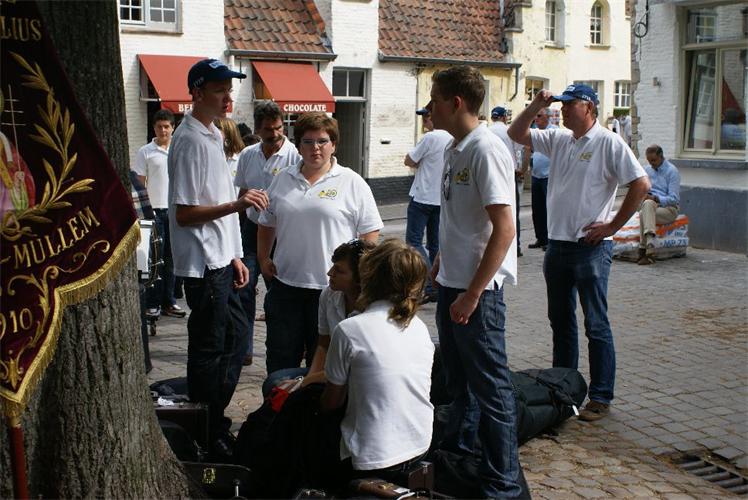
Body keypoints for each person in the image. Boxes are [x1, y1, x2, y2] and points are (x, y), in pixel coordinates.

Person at [508, 84, 650, 422]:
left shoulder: (608, 142)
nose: (564, 110)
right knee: (560, 322)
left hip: (590, 248)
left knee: (595, 324)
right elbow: (516, 133)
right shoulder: (559, 139)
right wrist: (535, 105)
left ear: (589, 107)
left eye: (570, 104)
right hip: (557, 246)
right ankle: (563, 389)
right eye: (563, 105)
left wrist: (612, 226)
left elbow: (641, 184)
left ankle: (600, 396)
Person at [427, 66, 522, 497]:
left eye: (434, 100)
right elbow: (462, 218)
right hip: (453, 283)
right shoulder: (454, 147)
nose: (429, 109)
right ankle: (459, 455)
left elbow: (505, 228)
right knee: (457, 382)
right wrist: (443, 258)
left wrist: (473, 292)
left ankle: (503, 481)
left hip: (477, 294)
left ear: (456, 103)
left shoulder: (485, 149)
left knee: (491, 388)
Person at [168, 58, 269, 460]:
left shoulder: (211, 134)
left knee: (234, 340)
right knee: (210, 348)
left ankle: (211, 419)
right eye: (218, 89)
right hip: (204, 264)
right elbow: (185, 213)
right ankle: (207, 430)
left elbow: (214, 202)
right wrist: (238, 205)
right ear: (197, 92)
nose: (227, 97)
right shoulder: (190, 140)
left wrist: (236, 255)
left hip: (221, 260)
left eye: (229, 89)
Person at [258, 112, 383, 374]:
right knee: (280, 359)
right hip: (286, 287)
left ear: (333, 145)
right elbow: (267, 221)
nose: (315, 148)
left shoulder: (352, 182)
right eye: (308, 141)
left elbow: (370, 233)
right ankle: (280, 400)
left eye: (322, 141)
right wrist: (263, 257)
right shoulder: (282, 179)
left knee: (325, 365)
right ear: (298, 146)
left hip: (332, 291)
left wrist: (358, 275)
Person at [321, 238, 434, 479]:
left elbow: (331, 402)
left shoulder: (350, 329)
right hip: (420, 443)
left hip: (371, 456)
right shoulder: (419, 327)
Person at [261, 238, 376, 396]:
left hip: (359, 380)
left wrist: (304, 383)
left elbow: (350, 370)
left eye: (339, 271)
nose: (330, 273)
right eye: (333, 267)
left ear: (359, 278)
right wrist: (308, 382)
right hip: (331, 373)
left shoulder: (374, 310)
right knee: (274, 383)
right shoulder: (329, 295)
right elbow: (323, 346)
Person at [233, 101, 302, 365]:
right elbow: (242, 192)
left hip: (281, 232)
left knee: (280, 291)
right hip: (252, 230)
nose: (275, 134)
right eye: (268, 130)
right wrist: (237, 226)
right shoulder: (248, 155)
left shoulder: (294, 156)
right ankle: (244, 348)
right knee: (244, 286)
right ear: (257, 129)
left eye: (278, 128)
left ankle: (287, 345)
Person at [133, 109, 185, 319]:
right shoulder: (145, 151)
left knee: (172, 258)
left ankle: (169, 301)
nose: (163, 130)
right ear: (153, 128)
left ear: (173, 128)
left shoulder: (179, 150)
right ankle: (152, 303)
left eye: (166, 127)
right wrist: (144, 212)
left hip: (175, 209)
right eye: (159, 127)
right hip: (154, 211)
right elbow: (140, 183)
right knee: (155, 258)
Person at [404, 107, 452, 303]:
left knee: (413, 242)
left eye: (425, 118)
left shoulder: (430, 138)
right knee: (435, 244)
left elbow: (409, 160)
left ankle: (430, 284)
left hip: (422, 196)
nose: (424, 123)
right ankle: (437, 285)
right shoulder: (452, 137)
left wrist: (419, 161)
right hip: (441, 198)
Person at [489, 105, 528, 257]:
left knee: (493, 213)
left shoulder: (487, 131)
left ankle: (495, 247)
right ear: (504, 117)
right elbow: (522, 149)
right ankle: (515, 247)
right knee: (512, 212)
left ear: (492, 117)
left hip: (491, 174)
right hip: (508, 175)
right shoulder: (509, 131)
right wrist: (522, 169)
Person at [637, 145, 680, 265]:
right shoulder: (647, 170)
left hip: (669, 210)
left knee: (645, 210)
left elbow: (674, 199)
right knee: (645, 207)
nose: (651, 163)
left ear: (661, 157)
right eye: (649, 161)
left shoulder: (672, 171)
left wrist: (656, 198)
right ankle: (650, 247)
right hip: (650, 207)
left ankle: (643, 248)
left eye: (654, 160)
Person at [528, 107, 556, 251]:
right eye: (535, 116)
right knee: (537, 209)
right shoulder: (536, 132)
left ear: (548, 117)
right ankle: (541, 237)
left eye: (539, 116)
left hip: (548, 177)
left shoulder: (554, 132)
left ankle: (549, 240)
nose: (536, 119)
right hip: (536, 175)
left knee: (548, 210)